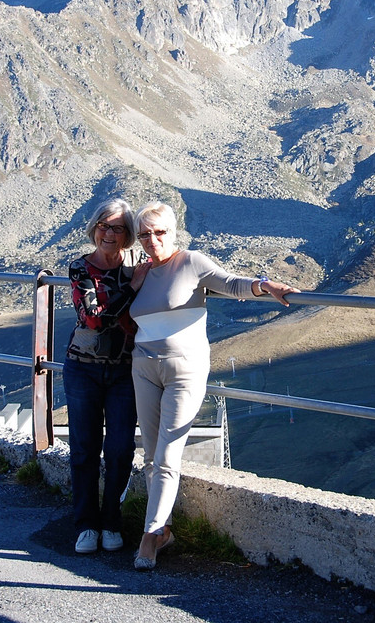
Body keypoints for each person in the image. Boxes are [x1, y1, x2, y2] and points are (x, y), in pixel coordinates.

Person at [128, 201, 299, 570]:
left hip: (185, 369)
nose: (152, 240)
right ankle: (165, 531)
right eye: (144, 234)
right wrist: (133, 285)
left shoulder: (192, 261)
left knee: (169, 454)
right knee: (150, 454)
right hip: (143, 366)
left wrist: (263, 284)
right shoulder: (139, 273)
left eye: (159, 233)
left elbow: (230, 284)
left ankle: (149, 537)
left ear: (174, 232)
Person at [62, 198, 151, 555]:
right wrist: (131, 287)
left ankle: (111, 520)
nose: (108, 233)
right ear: (94, 228)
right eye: (103, 225)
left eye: (117, 228)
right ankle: (85, 523)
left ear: (128, 234)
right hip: (83, 368)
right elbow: (95, 317)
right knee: (83, 449)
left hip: (125, 372)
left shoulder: (139, 265)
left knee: (119, 448)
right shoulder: (80, 269)